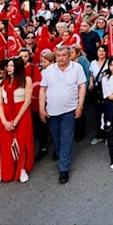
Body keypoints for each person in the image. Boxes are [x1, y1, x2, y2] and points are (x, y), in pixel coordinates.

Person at [39, 45, 86, 184]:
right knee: (56, 137)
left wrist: (80, 105)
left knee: (66, 138)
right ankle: (61, 155)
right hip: (52, 110)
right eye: (58, 56)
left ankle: (63, 168)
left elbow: (82, 86)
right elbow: (42, 90)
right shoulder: (48, 70)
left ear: (69, 55)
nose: (61, 58)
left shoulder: (77, 68)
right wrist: (41, 108)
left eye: (64, 55)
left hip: (69, 109)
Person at [0, 57, 34, 186]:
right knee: (3, 143)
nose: (8, 68)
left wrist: (17, 119)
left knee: (22, 141)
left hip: (22, 114)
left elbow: (27, 101)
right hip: (6, 114)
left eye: (11, 66)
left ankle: (21, 169)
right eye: (8, 66)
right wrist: (4, 121)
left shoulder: (26, 80)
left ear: (18, 67)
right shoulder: (1, 83)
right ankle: (0, 170)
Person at [88, 45, 108, 145]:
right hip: (97, 90)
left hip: (107, 89)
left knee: (107, 111)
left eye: (103, 51)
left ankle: (108, 134)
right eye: (99, 51)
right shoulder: (93, 63)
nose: (101, 53)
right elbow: (91, 74)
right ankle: (100, 133)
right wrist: (91, 82)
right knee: (98, 112)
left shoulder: (109, 62)